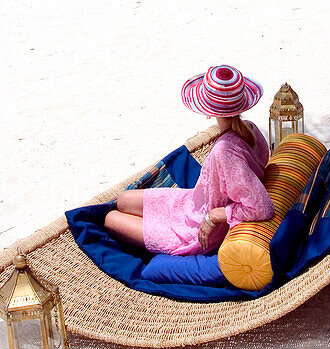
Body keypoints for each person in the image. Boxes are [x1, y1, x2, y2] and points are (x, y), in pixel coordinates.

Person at [104, 64, 273, 256]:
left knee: (111, 219)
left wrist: (217, 215)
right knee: (123, 200)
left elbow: (262, 207)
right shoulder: (250, 128)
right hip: (192, 204)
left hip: (198, 228)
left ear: (208, 110)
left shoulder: (225, 152)